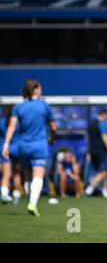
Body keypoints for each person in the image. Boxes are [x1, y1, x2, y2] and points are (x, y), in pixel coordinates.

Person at [2, 80, 57, 216]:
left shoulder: (19, 107)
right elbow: (54, 127)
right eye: (40, 88)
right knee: (38, 174)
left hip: (23, 146)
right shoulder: (44, 106)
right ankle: (32, 203)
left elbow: (12, 127)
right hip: (39, 145)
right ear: (36, 90)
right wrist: (52, 138)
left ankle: (29, 200)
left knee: (27, 176)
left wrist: (6, 144)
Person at [84, 108, 107, 198]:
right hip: (100, 150)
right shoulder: (101, 123)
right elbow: (105, 138)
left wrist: (88, 150)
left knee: (103, 171)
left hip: (92, 150)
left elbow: (89, 139)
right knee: (104, 171)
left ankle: (105, 191)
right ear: (104, 114)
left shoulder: (90, 124)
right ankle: (89, 190)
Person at [1, 105, 22, 205]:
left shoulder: (1, 122)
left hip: (5, 149)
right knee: (17, 173)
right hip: (17, 149)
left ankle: (4, 195)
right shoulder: (18, 123)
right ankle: (16, 195)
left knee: (6, 174)